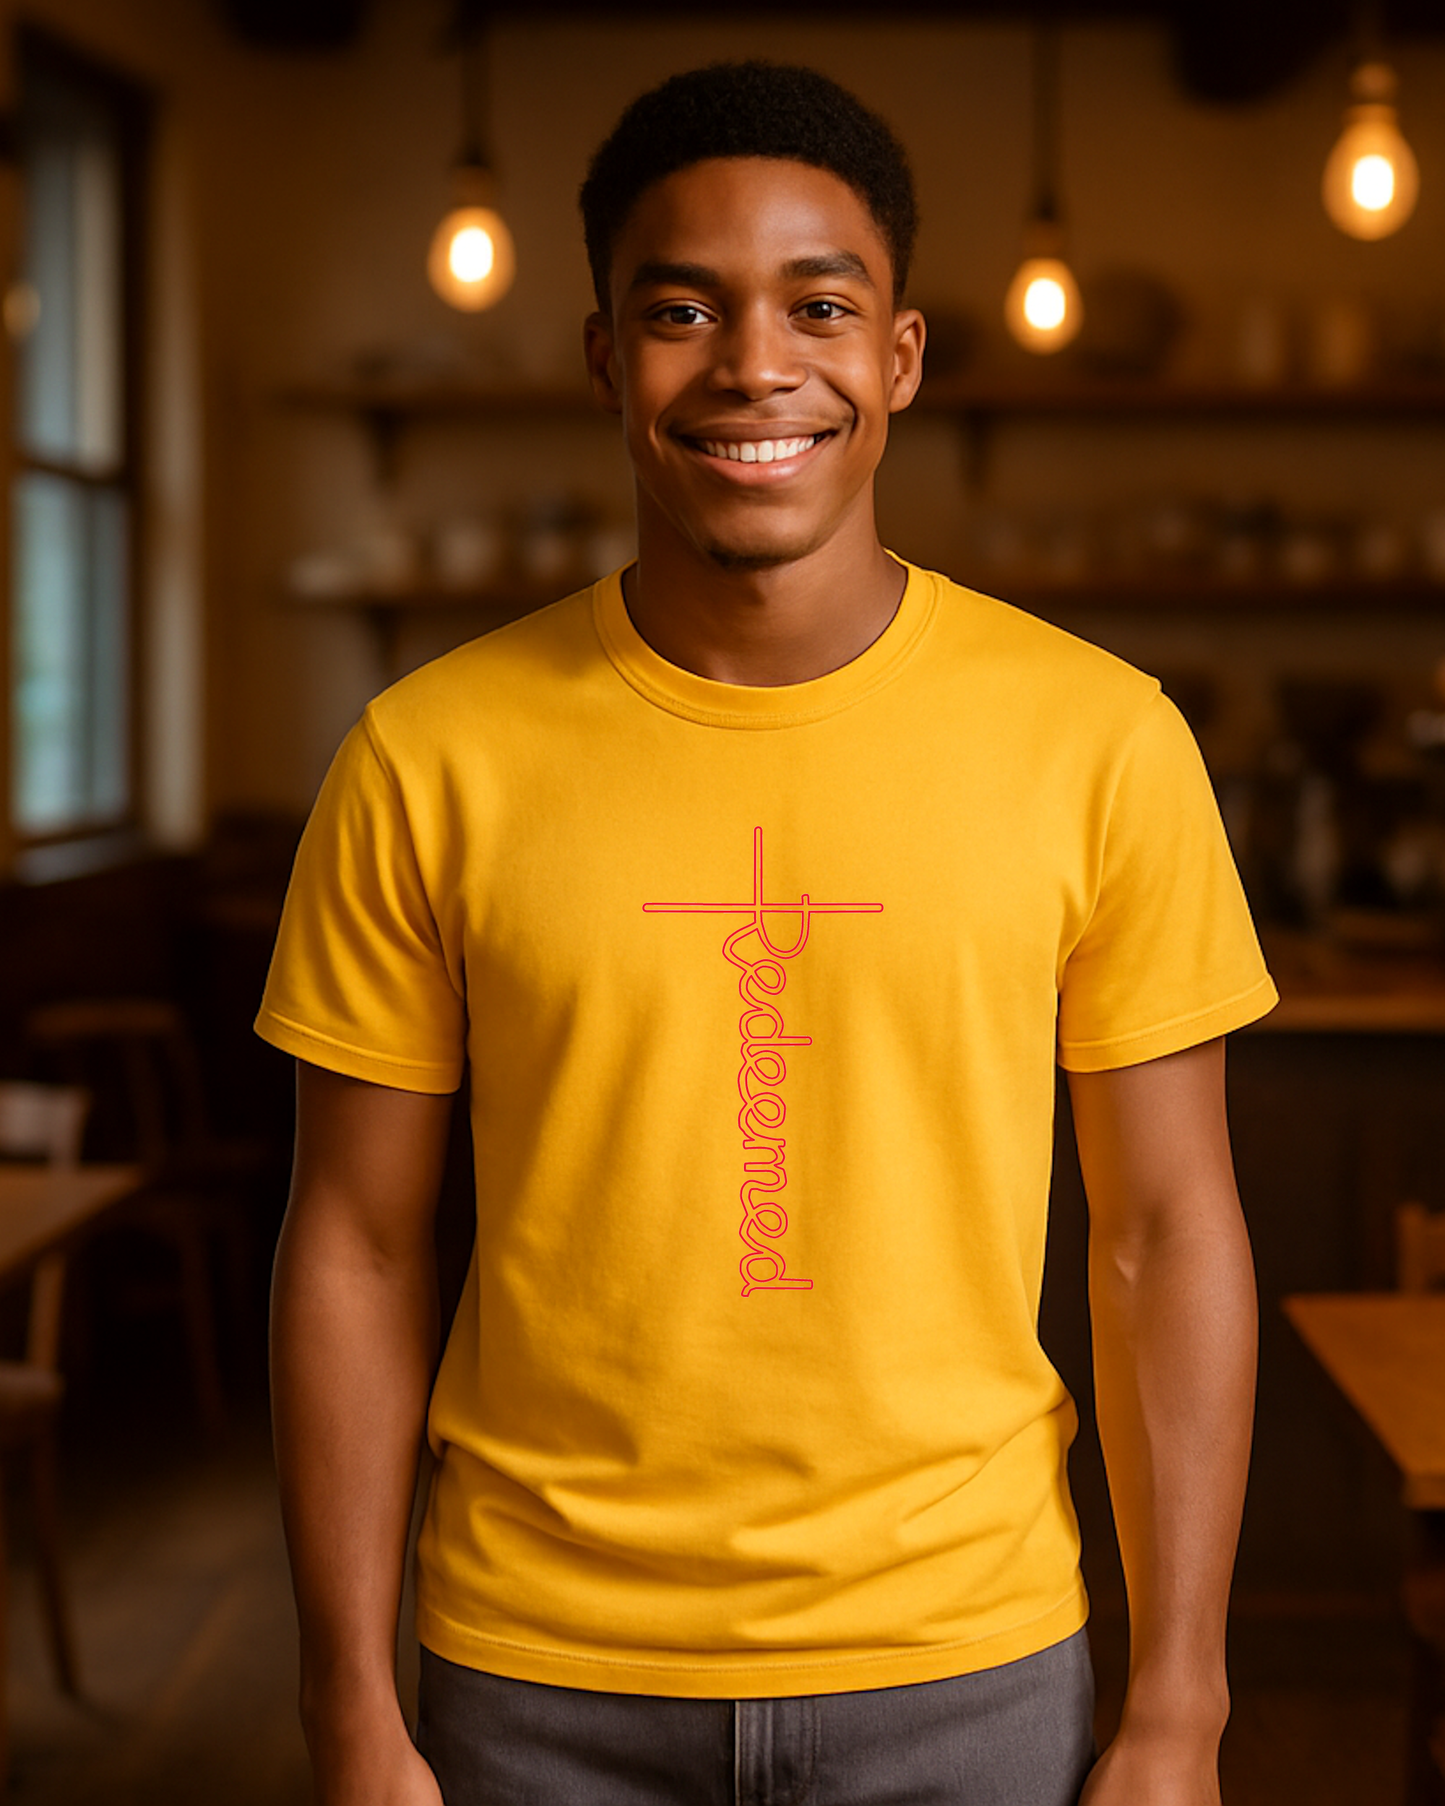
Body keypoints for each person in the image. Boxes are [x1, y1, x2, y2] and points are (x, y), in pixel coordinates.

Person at [261, 60, 1276, 1806]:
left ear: (900, 357)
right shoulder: (427, 756)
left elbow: (1167, 1235)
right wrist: (352, 1710)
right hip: (531, 1678)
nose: (753, 366)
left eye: (821, 304)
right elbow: (352, 1245)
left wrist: (1179, 1703)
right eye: (681, 309)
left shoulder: (1103, 739)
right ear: (602, 358)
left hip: (969, 1665)